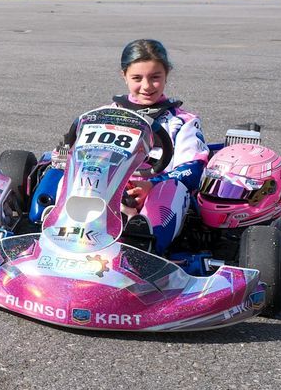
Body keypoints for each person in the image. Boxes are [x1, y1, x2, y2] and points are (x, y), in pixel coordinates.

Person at [61, 39, 209, 254]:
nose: (147, 86)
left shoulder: (183, 121)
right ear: (125, 76)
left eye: (155, 78)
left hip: (155, 190)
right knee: (63, 172)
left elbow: (193, 170)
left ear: (166, 75)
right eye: (137, 78)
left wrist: (153, 183)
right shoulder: (102, 115)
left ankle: (142, 248)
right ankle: (56, 228)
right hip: (102, 188)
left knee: (172, 188)